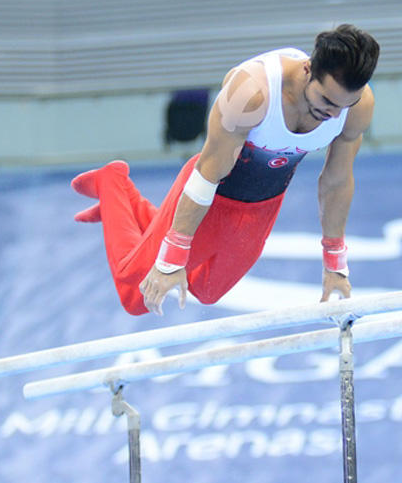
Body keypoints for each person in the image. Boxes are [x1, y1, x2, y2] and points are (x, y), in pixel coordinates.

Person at [70, 24, 379, 315]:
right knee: (136, 295)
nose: (332, 114)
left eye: (343, 105)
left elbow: (336, 182)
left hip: (262, 207)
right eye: (326, 100)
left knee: (206, 289)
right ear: (308, 68)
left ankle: (137, 209)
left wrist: (335, 264)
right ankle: (113, 184)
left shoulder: (358, 107)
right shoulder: (252, 93)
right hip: (212, 190)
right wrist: (172, 256)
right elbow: (208, 173)